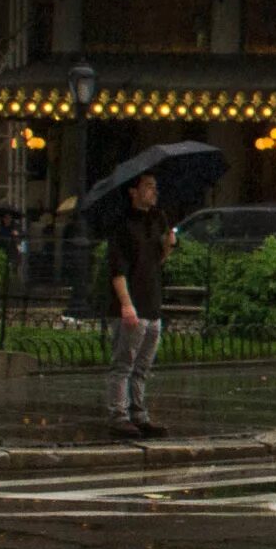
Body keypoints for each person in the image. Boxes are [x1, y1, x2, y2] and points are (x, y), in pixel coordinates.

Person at [102, 171, 173, 439]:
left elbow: (157, 261)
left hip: (152, 300)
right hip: (132, 303)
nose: (153, 191)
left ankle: (139, 412)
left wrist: (168, 246)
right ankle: (119, 414)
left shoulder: (157, 219)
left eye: (155, 186)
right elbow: (117, 269)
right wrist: (126, 304)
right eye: (148, 186)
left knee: (143, 365)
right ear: (133, 191)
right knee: (124, 363)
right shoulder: (122, 225)